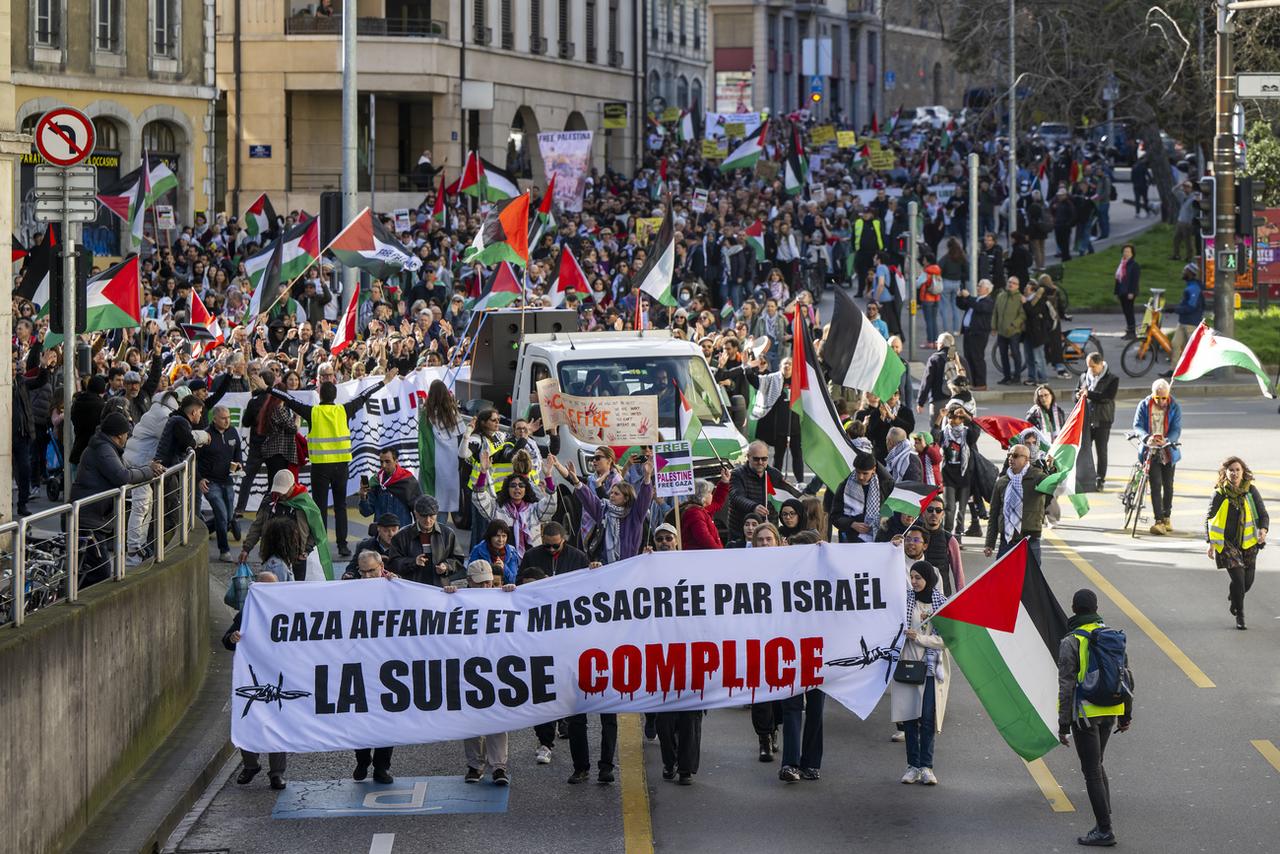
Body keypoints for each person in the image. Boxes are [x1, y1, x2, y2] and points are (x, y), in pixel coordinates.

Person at [269, 368, 394, 557]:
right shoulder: (343, 410)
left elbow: (288, 399)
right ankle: (343, 545)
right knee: (340, 506)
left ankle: (321, 544)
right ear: (335, 395)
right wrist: (384, 381)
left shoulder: (313, 412)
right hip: (341, 466)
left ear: (319, 395)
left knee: (319, 507)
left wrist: (267, 388)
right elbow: (365, 395)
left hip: (320, 467)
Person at [1057, 588, 1133, 848]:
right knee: (1097, 764)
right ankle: (1105, 817)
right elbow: (1126, 676)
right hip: (1111, 710)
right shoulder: (1112, 635)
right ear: (1096, 608)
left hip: (1086, 715)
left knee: (1091, 770)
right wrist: (1126, 714)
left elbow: (1066, 685)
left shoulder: (1071, 641)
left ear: (1074, 609)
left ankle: (1104, 829)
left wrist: (1063, 724)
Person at [444, 559, 516, 785]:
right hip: (468, 667)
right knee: (472, 718)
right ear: (469, 583)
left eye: (489, 583)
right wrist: (447, 596)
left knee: (497, 717)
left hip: (496, 665)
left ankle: (499, 767)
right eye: (481, 584)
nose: (487, 588)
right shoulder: (458, 598)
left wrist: (512, 593)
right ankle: (475, 766)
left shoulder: (501, 595)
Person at [71, 411, 166, 582]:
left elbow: (124, 471)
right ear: (120, 434)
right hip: (88, 521)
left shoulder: (105, 446)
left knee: (85, 569)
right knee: (100, 572)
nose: (128, 438)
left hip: (91, 519)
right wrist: (149, 471)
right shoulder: (103, 449)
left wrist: (146, 468)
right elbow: (122, 476)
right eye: (127, 434)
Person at [223, 570, 287, 790]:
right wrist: (233, 638)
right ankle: (250, 765)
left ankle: (277, 773)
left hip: (278, 679)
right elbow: (227, 641)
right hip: (252, 679)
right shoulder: (247, 614)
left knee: (278, 725)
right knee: (248, 720)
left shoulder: (288, 611)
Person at [892, 560, 949, 786]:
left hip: (931, 671)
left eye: (918, 578)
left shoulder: (942, 604)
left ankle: (926, 766)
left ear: (928, 579)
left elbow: (946, 640)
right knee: (909, 718)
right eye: (912, 577)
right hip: (908, 667)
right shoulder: (904, 602)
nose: (914, 582)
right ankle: (912, 766)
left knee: (927, 719)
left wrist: (920, 638)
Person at [1206, 457, 1269, 630]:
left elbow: (1263, 514)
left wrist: (1263, 529)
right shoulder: (1219, 493)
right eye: (1231, 470)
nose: (1234, 473)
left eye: (1237, 470)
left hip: (1248, 543)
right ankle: (1240, 615)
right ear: (1225, 473)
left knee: (1247, 583)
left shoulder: (1251, 491)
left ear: (1243, 472)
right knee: (1239, 580)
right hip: (1226, 543)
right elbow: (1210, 519)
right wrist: (1210, 542)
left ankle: (1235, 597)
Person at [352, 551, 398, 784]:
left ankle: (381, 767)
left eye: (372, 570)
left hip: (389, 665)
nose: (368, 576)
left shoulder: (396, 586)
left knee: (386, 718)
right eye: (364, 571)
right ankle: (362, 759)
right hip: (361, 664)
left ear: (382, 566)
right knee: (360, 716)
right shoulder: (349, 589)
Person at [238, 470, 327, 581]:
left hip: (297, 556)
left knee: (297, 588)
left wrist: (306, 550)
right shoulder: (269, 501)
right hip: (271, 555)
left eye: (284, 491)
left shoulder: (305, 503)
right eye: (278, 491)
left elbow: (317, 531)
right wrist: (246, 549)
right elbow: (257, 526)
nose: (281, 494)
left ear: (293, 486)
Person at [472, 450, 559, 562]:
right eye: (513, 485)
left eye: (521, 485)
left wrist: (548, 476)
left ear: (526, 489)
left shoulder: (534, 509)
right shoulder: (498, 509)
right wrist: (483, 472)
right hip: (503, 561)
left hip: (532, 560)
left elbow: (550, 504)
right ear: (507, 489)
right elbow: (479, 498)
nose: (517, 488)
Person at [984, 443, 1051, 566]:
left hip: (1030, 539)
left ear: (1026, 459)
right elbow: (993, 514)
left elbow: (1052, 489)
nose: (1010, 458)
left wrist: (1051, 469)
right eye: (1009, 455)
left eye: (1015, 456)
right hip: (1007, 540)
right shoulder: (1002, 482)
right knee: (1003, 579)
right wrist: (989, 543)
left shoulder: (1038, 477)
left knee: (1031, 581)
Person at [1133, 379, 1181, 535]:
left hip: (1167, 449)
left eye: (1164, 398)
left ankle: (1167, 517)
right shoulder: (1144, 405)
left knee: (1168, 485)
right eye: (1157, 398)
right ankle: (1158, 520)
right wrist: (1147, 438)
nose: (1161, 401)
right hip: (1150, 450)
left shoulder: (1174, 406)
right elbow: (1138, 425)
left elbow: (1176, 428)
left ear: (1168, 395)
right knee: (1155, 484)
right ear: (1153, 395)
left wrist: (1168, 440)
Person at [726, 440, 801, 537]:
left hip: (768, 529)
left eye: (764, 459)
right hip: (741, 531)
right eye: (756, 459)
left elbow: (784, 497)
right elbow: (736, 496)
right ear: (748, 457)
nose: (760, 462)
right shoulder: (738, 474)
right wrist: (754, 507)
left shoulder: (774, 474)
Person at [386, 495, 465, 585]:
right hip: (412, 588)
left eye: (431, 516)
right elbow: (392, 564)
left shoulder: (448, 534)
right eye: (423, 516)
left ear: (437, 514)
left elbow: (458, 560)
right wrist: (413, 562)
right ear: (416, 514)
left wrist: (446, 566)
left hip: (439, 589)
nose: (428, 520)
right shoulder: (401, 536)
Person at [199, 405, 244, 562]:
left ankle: (204, 530)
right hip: (211, 482)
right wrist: (199, 478)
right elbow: (194, 459)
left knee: (227, 515)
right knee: (221, 513)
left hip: (228, 480)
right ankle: (224, 551)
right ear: (214, 419)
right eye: (224, 418)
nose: (227, 421)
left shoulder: (232, 431)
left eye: (229, 418)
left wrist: (239, 463)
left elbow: (238, 449)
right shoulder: (205, 435)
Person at [936, 403, 981, 545]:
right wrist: (940, 417)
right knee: (949, 508)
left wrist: (967, 415)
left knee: (961, 509)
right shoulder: (944, 433)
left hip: (964, 475)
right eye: (950, 417)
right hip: (948, 474)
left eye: (956, 417)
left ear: (962, 419)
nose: (952, 420)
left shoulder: (967, 433)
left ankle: (958, 537)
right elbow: (934, 437)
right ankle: (947, 536)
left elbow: (976, 431)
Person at [830, 453, 893, 543]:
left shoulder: (886, 485)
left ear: (874, 470)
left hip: (879, 537)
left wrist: (883, 519)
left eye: (865, 473)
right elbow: (835, 516)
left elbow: (892, 510)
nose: (861, 477)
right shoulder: (844, 487)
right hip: (850, 538)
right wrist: (852, 524)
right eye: (858, 472)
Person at [1079, 354, 1118, 491]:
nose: (1090, 369)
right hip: (1087, 419)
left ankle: (1100, 479)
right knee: (1084, 450)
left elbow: (1107, 397)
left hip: (1103, 419)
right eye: (1089, 366)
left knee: (1101, 451)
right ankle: (1086, 477)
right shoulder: (1084, 376)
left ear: (1101, 364)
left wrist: (1088, 394)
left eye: (1093, 367)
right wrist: (1078, 395)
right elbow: (1075, 393)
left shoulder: (1112, 379)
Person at [358, 447, 423, 528]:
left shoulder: (408, 481)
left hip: (401, 533)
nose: (383, 465)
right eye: (381, 462)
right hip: (382, 533)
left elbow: (418, 511)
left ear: (396, 461)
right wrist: (363, 496)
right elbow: (366, 512)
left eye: (387, 462)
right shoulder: (376, 481)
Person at [674, 467, 730, 549]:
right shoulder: (695, 513)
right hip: (701, 558)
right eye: (710, 493)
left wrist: (724, 482)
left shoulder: (701, 510)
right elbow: (705, 540)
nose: (712, 495)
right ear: (703, 496)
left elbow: (717, 502)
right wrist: (719, 554)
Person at [956, 279, 994, 389]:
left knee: (977, 358)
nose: (978, 287)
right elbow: (963, 305)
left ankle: (981, 383)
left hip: (979, 334)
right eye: (978, 285)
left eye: (980, 286)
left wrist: (968, 297)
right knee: (968, 358)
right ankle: (972, 381)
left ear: (987, 289)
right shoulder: (976, 299)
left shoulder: (988, 301)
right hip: (969, 332)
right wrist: (959, 297)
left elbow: (979, 307)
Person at [519, 521, 591, 577]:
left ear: (563, 540)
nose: (551, 549)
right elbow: (520, 581)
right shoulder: (531, 555)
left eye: (556, 546)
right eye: (547, 545)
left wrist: (595, 568)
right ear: (542, 539)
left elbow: (589, 578)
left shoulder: (578, 556)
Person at [1168, 263, 1205, 371]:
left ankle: (1197, 370)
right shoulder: (1190, 286)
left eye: (1185, 271)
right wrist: (1175, 308)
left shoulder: (1194, 288)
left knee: (1193, 348)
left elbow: (1191, 307)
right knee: (1175, 344)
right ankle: (1173, 370)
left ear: (1191, 274)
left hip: (1191, 322)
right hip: (1183, 321)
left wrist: (1176, 309)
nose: (1183, 273)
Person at [343, 513, 401, 578]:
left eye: (394, 530)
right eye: (386, 531)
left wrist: (398, 577)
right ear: (378, 529)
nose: (391, 534)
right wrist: (350, 574)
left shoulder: (403, 547)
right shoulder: (365, 545)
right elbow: (353, 566)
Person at [916, 332, 957, 422]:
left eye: (937, 343)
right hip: (956, 400)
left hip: (938, 400)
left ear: (941, 344)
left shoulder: (935, 359)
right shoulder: (957, 358)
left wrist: (920, 402)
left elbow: (927, 381)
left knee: (937, 428)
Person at [993, 275, 1026, 385]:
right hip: (1001, 331)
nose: (1011, 284)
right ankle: (1006, 377)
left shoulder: (1019, 298)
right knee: (1003, 354)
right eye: (1009, 282)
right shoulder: (1001, 296)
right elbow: (995, 312)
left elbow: (1022, 315)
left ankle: (1017, 377)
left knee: (1016, 354)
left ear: (1017, 286)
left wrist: (1013, 325)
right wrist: (994, 327)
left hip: (1014, 331)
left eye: (1014, 283)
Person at [467, 519, 521, 584]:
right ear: (490, 536)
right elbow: (470, 576)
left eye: (504, 536)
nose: (500, 540)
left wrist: (504, 568)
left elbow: (513, 580)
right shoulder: (478, 550)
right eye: (497, 536)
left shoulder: (512, 552)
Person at [1114, 243, 1140, 341]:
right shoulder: (1121, 264)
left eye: (1128, 251)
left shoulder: (1134, 265)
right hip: (1122, 292)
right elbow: (1118, 280)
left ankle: (1132, 332)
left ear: (1132, 253)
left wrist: (1132, 292)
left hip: (1129, 293)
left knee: (1129, 312)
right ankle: (1129, 331)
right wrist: (1116, 292)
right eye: (1125, 251)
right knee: (1126, 312)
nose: (1126, 253)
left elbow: (1135, 280)